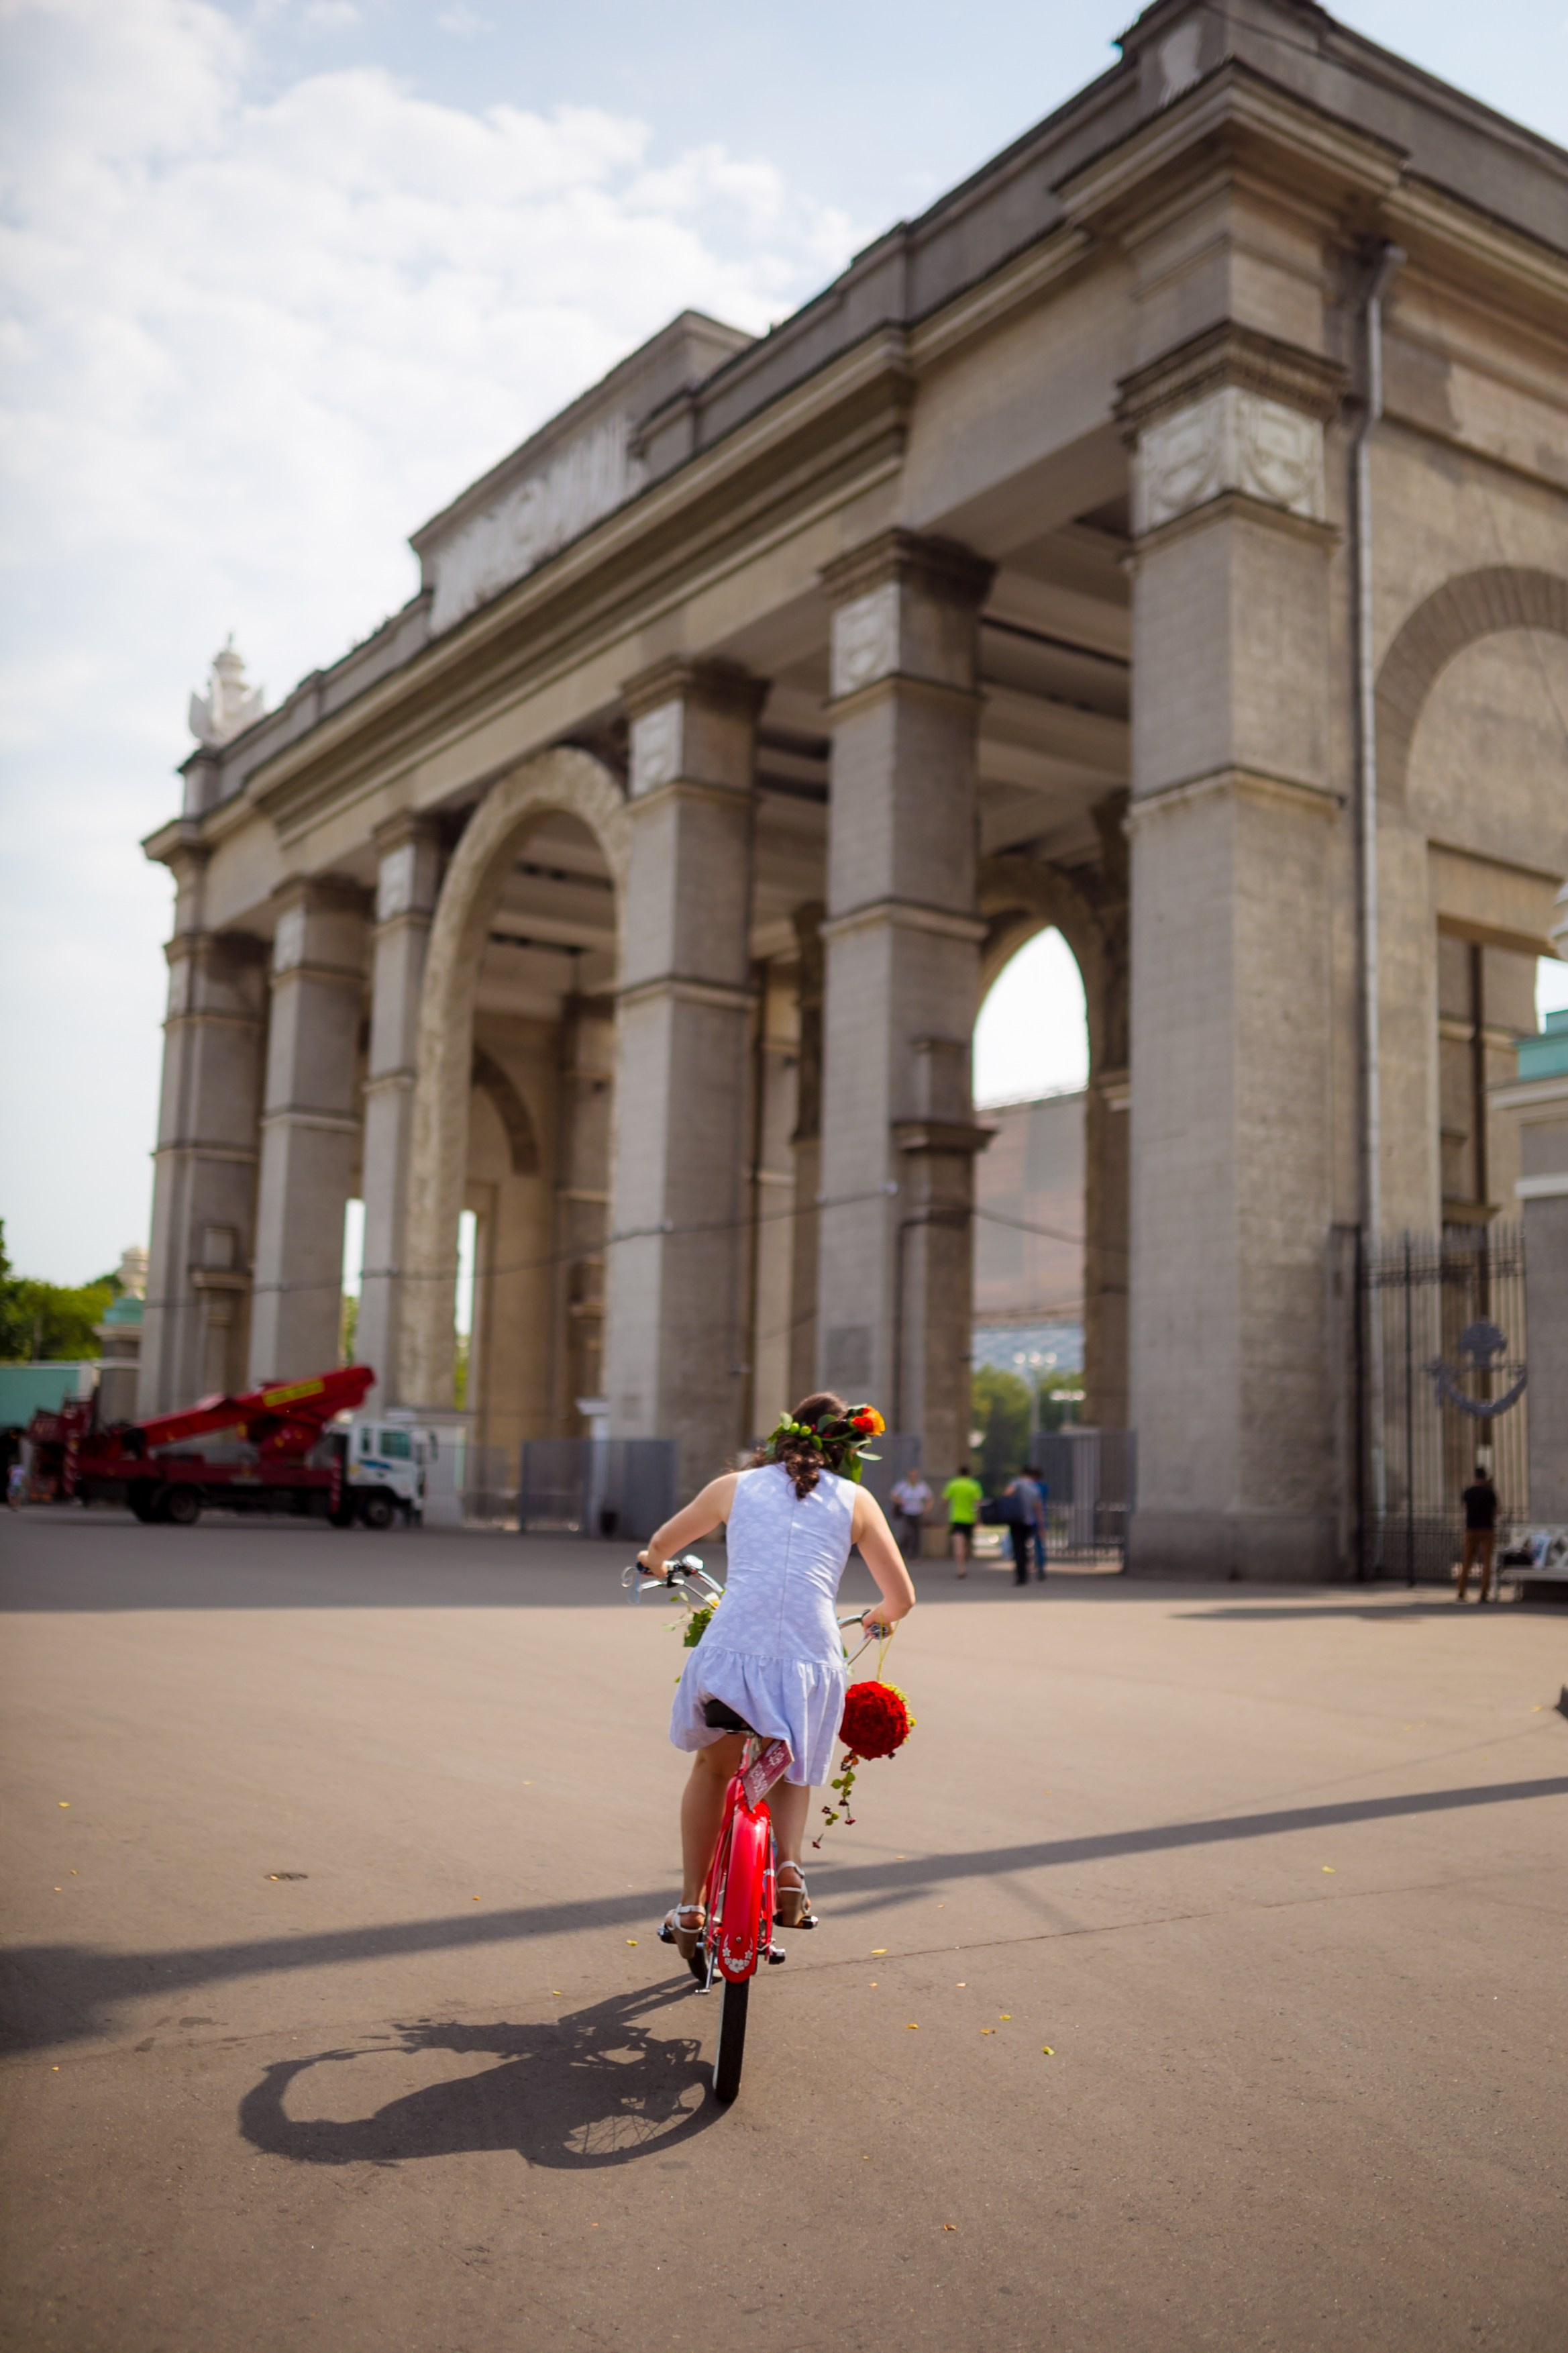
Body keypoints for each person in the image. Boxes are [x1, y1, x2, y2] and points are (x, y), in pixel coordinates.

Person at [640, 1392, 915, 1957]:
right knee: (788, 1766)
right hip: (811, 1659)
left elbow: (662, 1545)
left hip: (733, 1651)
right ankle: (788, 1871)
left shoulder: (733, 1488)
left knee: (713, 1769)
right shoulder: (857, 1501)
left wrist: (657, 1565)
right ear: (846, 1450)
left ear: (782, 1436)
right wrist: (876, 1619)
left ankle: (692, 1905)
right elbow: (902, 1599)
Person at [1457, 1463, 1499, 1603]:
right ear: (1485, 1478)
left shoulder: (1468, 1492)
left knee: (1467, 1561)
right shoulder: (1490, 1492)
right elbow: (1497, 1510)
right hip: (1487, 1529)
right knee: (1487, 1562)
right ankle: (1484, 1593)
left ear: (1475, 1478)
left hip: (1471, 1529)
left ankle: (1461, 1591)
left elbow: (1464, 1508)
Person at [943, 1462, 983, 1576]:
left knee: (958, 1544)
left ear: (958, 1473)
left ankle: (961, 1568)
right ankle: (965, 1561)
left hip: (956, 1518)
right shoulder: (974, 1485)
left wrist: (940, 1511)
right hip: (970, 1519)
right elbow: (978, 1503)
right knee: (967, 1544)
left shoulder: (953, 1484)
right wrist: (978, 1518)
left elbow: (945, 1500)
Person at [888, 1463, 932, 1563]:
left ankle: (916, 1555)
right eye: (911, 1476)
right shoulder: (903, 1486)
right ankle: (905, 1553)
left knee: (917, 1535)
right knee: (906, 1533)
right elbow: (893, 1495)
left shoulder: (922, 1486)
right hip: (906, 1512)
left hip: (918, 1512)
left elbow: (929, 1498)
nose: (913, 1478)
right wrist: (900, 1501)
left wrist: (927, 1509)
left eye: (914, 1476)